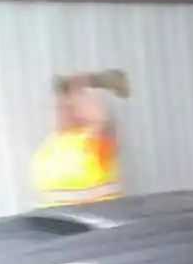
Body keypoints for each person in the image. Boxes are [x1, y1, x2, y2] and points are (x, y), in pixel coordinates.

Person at [32, 71, 125, 205]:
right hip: (56, 221)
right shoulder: (51, 144)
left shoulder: (95, 139)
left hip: (97, 221)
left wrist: (80, 85)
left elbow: (101, 120)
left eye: (69, 105)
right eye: (58, 107)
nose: (61, 110)